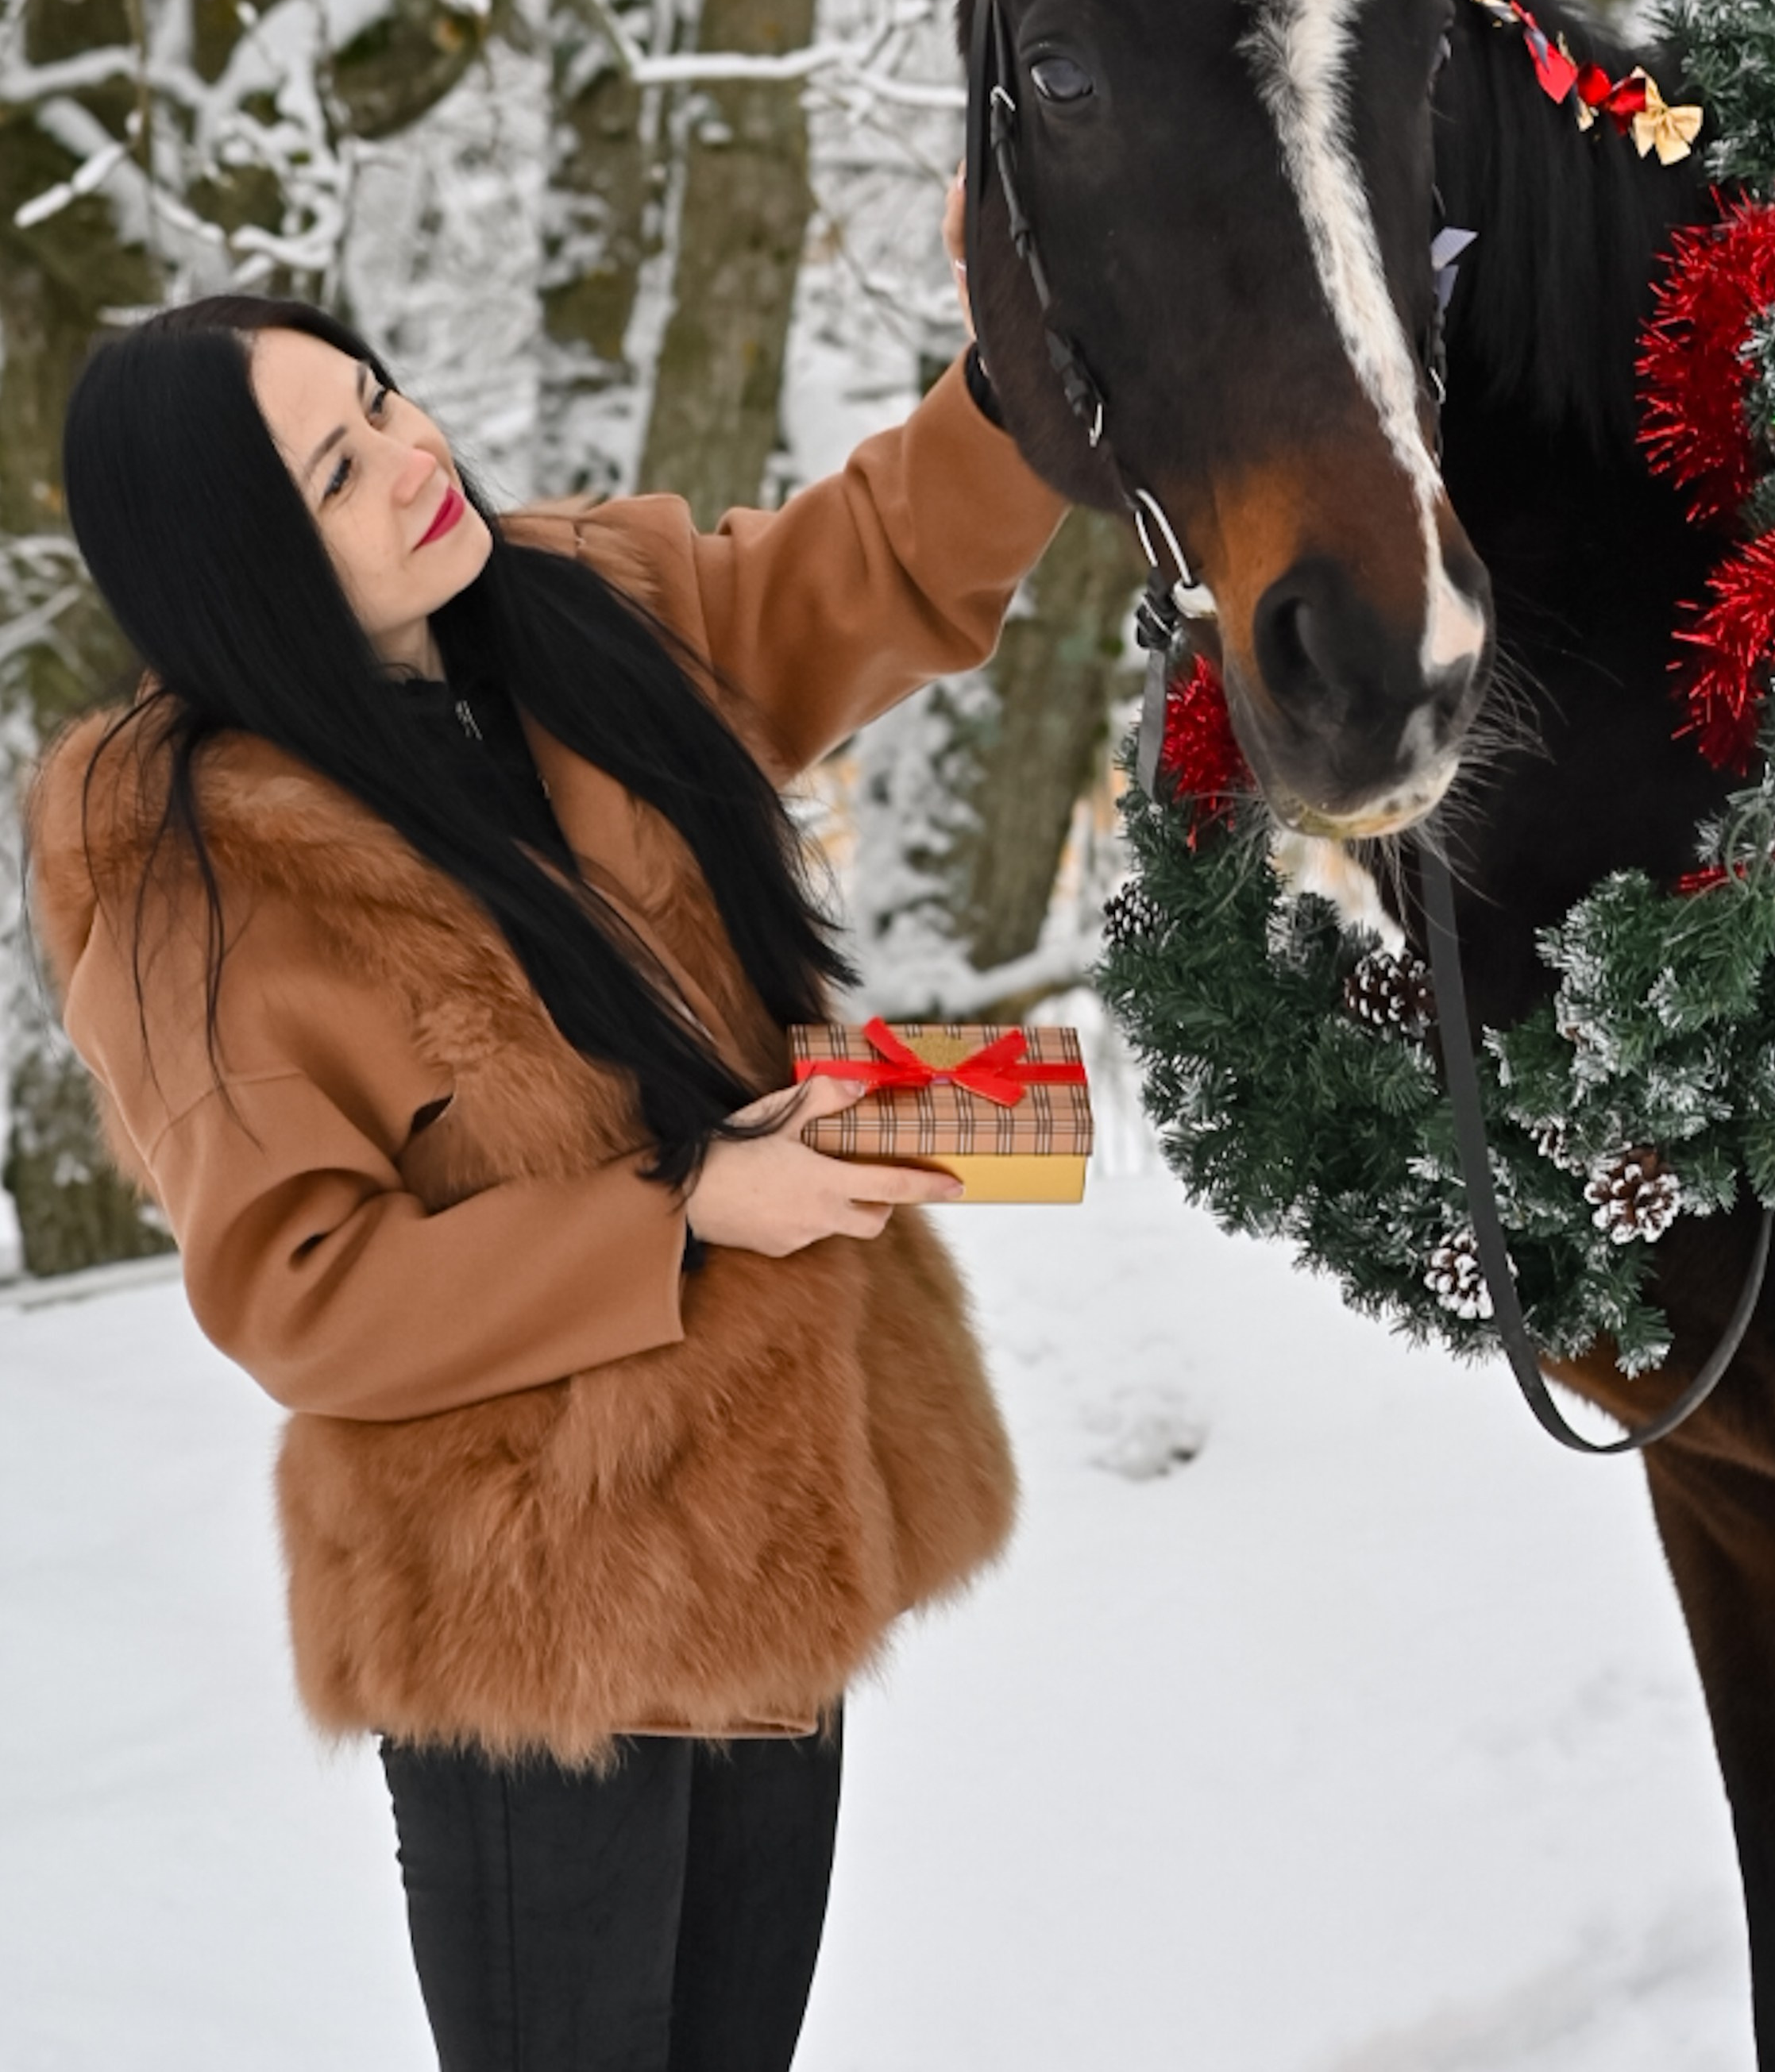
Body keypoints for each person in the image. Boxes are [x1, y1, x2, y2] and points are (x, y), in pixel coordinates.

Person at [26, 187, 1065, 2072]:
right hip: (529, 1610)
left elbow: (874, 565)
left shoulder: (587, 613)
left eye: (383, 399)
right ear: (240, 563)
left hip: (770, 1526)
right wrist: (683, 1213)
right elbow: (301, 1293)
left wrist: (1033, 361)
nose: (413, 458)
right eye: (336, 471)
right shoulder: (191, 875)